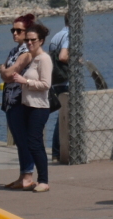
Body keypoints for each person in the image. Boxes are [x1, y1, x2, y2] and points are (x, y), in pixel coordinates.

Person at [12, 24, 53, 192]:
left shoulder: (44, 59)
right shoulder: (32, 59)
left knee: (35, 143)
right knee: (30, 142)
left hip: (39, 108)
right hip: (27, 106)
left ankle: (43, 180)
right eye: (27, 40)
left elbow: (46, 84)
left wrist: (25, 82)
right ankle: (37, 179)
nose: (29, 43)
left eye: (33, 40)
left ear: (41, 41)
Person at [0, 14, 35, 189]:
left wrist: (4, 72)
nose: (14, 33)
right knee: (18, 139)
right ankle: (22, 175)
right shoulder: (14, 51)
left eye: (18, 30)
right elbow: (5, 72)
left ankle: (28, 174)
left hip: (21, 99)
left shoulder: (27, 52)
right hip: (10, 99)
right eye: (13, 30)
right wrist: (5, 72)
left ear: (27, 32)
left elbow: (9, 72)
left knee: (23, 137)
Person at [47, 15, 70, 161]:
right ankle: (57, 151)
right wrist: (76, 59)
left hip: (55, 79)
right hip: (65, 79)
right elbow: (62, 56)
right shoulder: (68, 35)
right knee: (63, 116)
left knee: (61, 114)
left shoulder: (57, 35)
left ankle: (57, 150)